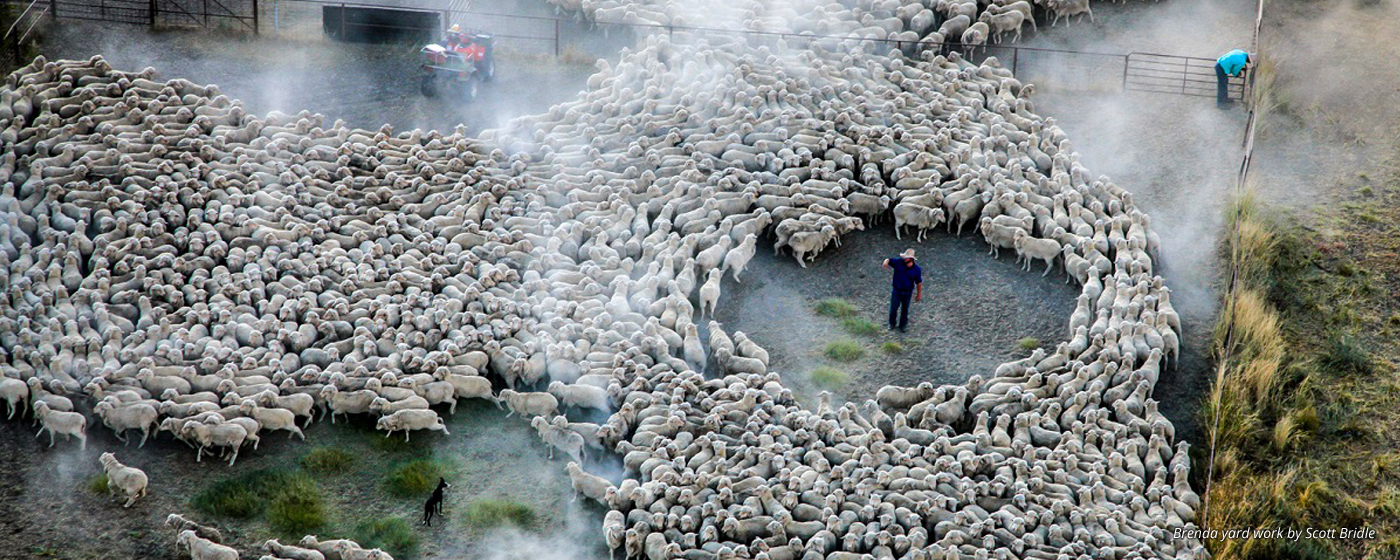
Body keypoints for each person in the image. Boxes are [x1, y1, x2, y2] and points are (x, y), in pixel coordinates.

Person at [882, 248, 923, 332]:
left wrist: (918, 294)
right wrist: (885, 262)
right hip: (897, 290)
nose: (905, 259)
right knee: (893, 308)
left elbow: (919, 282)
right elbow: (888, 259)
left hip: (907, 292)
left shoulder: (916, 269)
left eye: (907, 258)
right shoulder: (898, 263)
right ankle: (891, 323)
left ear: (911, 259)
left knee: (905, 309)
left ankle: (903, 325)